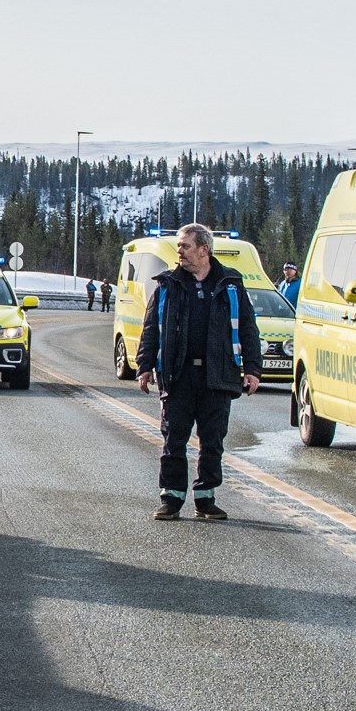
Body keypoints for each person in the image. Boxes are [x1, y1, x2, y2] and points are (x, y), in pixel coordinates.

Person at [135, 220, 259, 520]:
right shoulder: (168, 285)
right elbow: (151, 327)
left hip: (217, 376)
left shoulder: (231, 284)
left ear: (204, 250)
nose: (180, 251)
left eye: (185, 246)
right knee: (173, 440)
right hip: (178, 376)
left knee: (212, 441)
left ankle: (206, 498)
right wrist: (145, 365)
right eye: (179, 246)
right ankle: (171, 498)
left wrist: (253, 369)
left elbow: (248, 330)